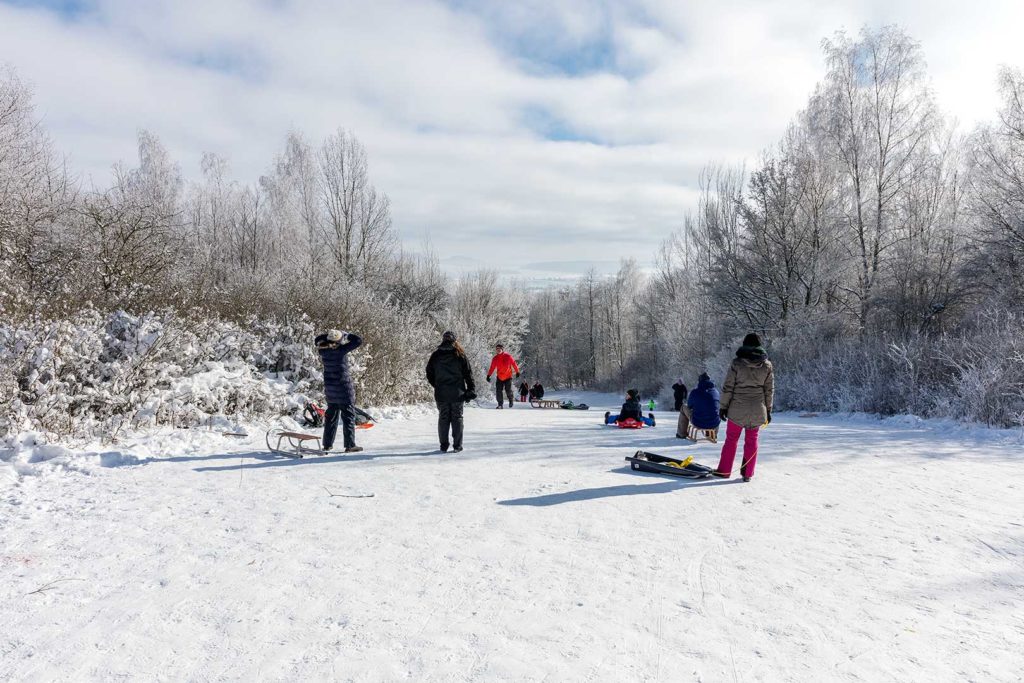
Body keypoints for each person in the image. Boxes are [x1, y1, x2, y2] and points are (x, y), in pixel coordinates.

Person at [713, 333, 774, 482]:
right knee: (752, 440)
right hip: (757, 408)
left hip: (737, 408)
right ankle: (747, 473)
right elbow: (769, 389)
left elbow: (728, 387)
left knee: (731, 440)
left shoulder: (737, 363)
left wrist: (723, 407)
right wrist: (768, 410)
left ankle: (724, 471)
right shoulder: (767, 365)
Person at [426, 330, 476, 452]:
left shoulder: (436, 355)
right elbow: (468, 374)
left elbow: (429, 373)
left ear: (443, 340)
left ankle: (443, 446)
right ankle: (457, 446)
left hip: (441, 393)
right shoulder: (460, 355)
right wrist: (471, 389)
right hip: (457, 393)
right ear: (455, 340)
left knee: (443, 418)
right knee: (457, 418)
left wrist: (437, 385)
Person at [315, 329, 364, 453]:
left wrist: (329, 335)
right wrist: (345, 334)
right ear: (339, 340)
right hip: (343, 389)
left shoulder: (323, 351)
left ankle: (327, 444)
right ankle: (350, 445)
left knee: (331, 417)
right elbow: (358, 340)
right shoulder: (341, 351)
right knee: (348, 417)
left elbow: (317, 339)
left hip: (330, 389)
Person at [676, 372, 721, 438]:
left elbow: (689, 405)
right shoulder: (716, 392)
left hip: (698, 422)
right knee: (715, 410)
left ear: (699, 381)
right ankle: (712, 434)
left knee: (683, 407)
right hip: (714, 423)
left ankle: (681, 434)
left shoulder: (695, 392)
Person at [486, 342, 521, 409]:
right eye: (497, 349)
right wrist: (488, 375)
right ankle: (500, 404)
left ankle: (511, 400)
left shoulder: (508, 356)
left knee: (508, 390)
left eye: (499, 349)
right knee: (498, 390)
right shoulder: (495, 358)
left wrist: (517, 372)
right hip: (499, 377)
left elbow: (514, 364)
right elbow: (492, 368)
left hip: (508, 377)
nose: (498, 350)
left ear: (502, 349)